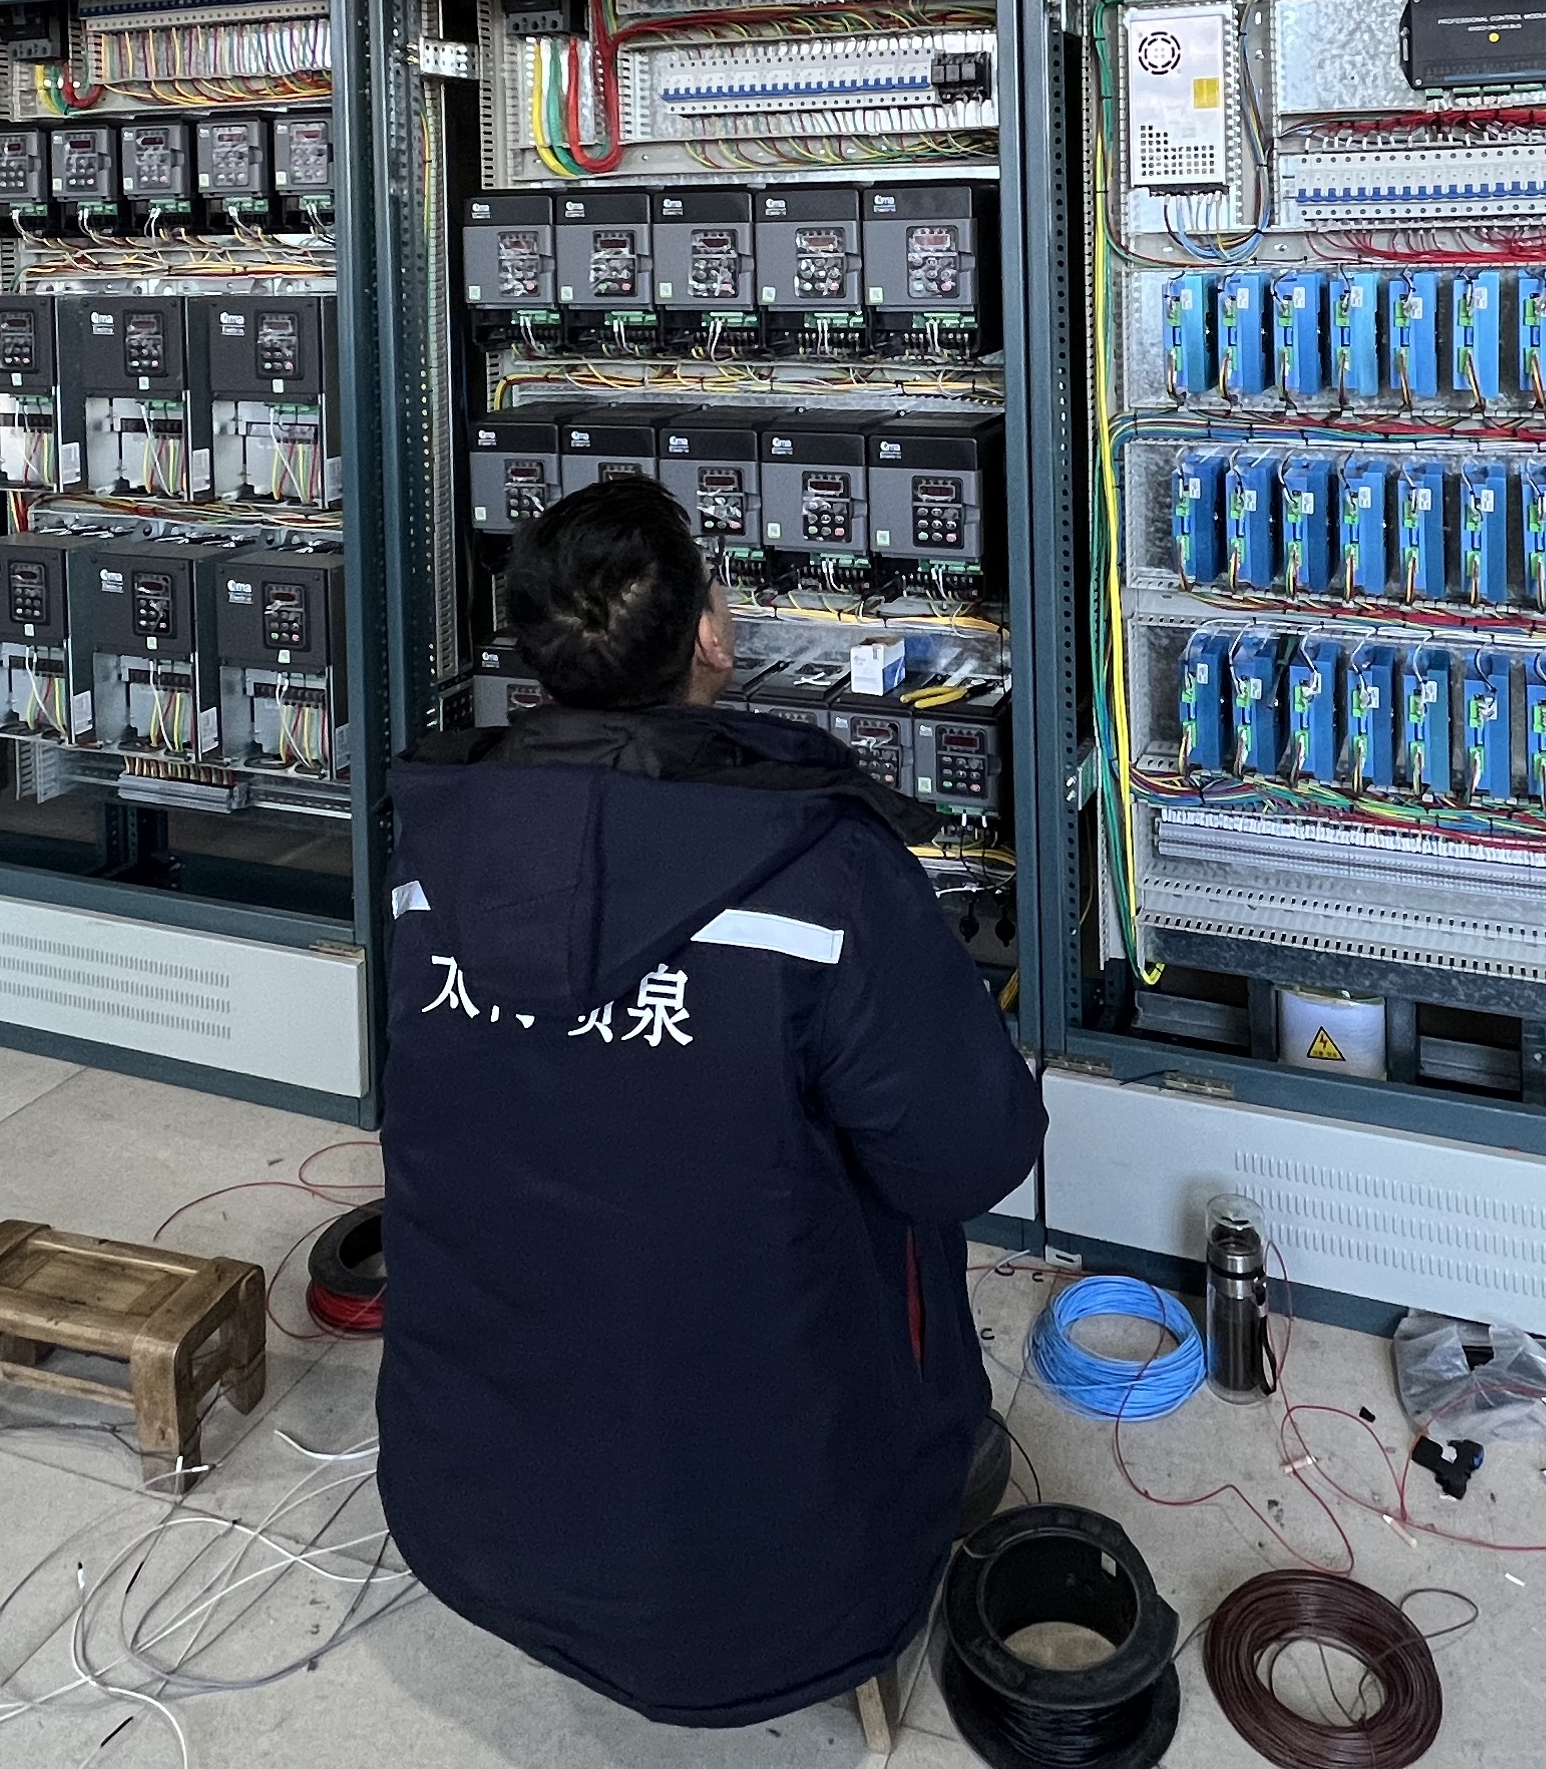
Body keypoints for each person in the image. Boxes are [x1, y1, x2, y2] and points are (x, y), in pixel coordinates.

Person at [371, 475, 1045, 1729]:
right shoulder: (824, 875)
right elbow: (971, 1155)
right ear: (712, 641)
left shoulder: (431, 854)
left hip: (465, 1517)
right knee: (900, 1214)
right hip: (780, 1588)